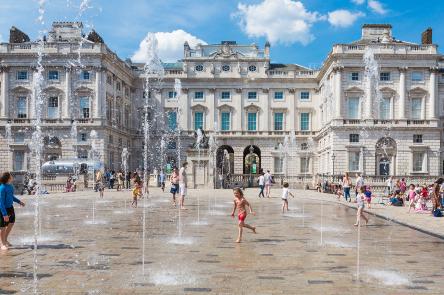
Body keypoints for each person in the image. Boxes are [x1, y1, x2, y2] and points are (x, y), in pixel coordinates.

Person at [0, 172, 25, 250]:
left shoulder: (10, 186)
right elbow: (1, 202)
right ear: (8, 178)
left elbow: (11, 197)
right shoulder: (2, 188)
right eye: (10, 175)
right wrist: (4, 214)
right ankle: (2, 243)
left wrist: (19, 201)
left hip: (10, 208)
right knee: (2, 227)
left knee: (11, 223)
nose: (12, 176)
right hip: (2, 209)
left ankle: (5, 239)